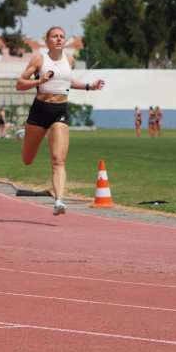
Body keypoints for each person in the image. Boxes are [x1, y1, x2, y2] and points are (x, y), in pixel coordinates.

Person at [16, 26, 106, 216]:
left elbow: (66, 81)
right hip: (39, 111)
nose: (58, 39)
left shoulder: (69, 60)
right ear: (47, 41)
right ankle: (27, 136)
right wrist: (39, 82)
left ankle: (59, 201)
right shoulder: (39, 60)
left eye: (62, 37)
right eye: (54, 36)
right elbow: (20, 84)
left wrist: (89, 86)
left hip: (59, 112)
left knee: (58, 160)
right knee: (27, 160)